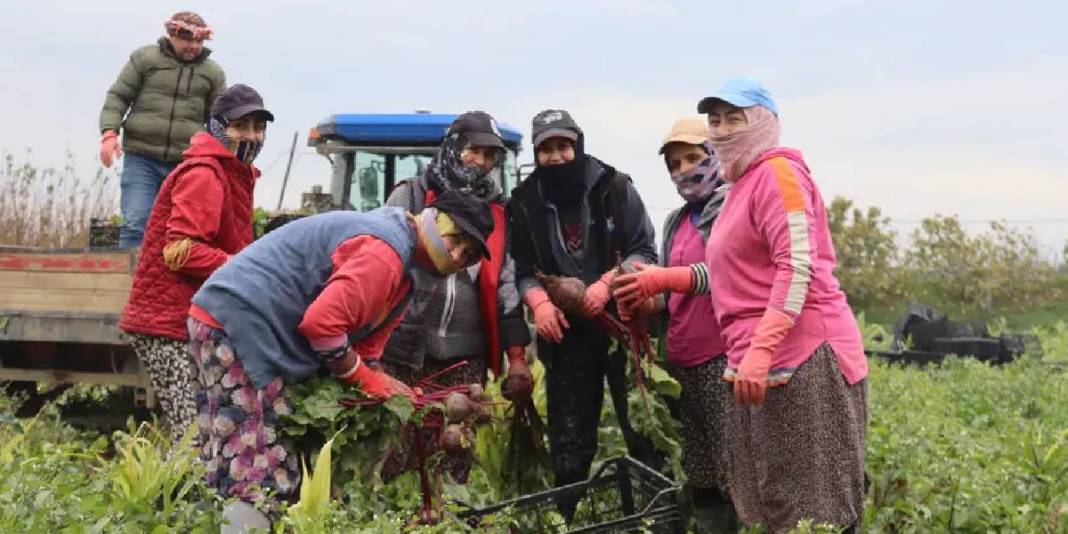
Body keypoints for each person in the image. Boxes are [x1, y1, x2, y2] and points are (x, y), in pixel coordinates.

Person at [186, 190, 494, 529]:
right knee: (258, 468)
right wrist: (366, 380)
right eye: (455, 239)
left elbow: (367, 349)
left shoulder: (404, 270)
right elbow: (322, 326)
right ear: (434, 219)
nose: (455, 255)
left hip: (237, 324)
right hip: (238, 325)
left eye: (467, 256)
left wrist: (384, 382)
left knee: (240, 454)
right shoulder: (385, 252)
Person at [701, 77, 868, 532]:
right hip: (764, 361)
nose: (721, 130)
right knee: (780, 501)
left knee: (818, 505)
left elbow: (797, 268)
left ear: (764, 122)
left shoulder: (779, 175)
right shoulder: (740, 187)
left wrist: (761, 349)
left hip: (805, 358)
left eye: (734, 118)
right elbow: (733, 273)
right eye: (714, 120)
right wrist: (665, 278)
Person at [508, 109, 660, 516]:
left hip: (624, 327)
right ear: (537, 154)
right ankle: (566, 520)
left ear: (578, 144)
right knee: (569, 445)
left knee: (644, 434)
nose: (556, 156)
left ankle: (654, 520)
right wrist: (540, 303)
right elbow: (521, 271)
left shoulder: (614, 187)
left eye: (563, 146)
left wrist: (604, 285)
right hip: (565, 335)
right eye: (546, 149)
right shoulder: (523, 203)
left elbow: (645, 251)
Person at [119, 84, 272, 436]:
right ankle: (172, 492)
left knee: (206, 432)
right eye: (240, 126)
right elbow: (180, 250)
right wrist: (244, 267)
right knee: (193, 434)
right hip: (167, 323)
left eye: (258, 128)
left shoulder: (234, 174)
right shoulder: (205, 172)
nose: (251, 136)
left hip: (189, 318)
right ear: (218, 127)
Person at [612, 116, 735, 530]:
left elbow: (730, 275)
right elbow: (670, 295)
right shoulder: (676, 220)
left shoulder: (731, 207)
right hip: (682, 363)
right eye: (674, 165)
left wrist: (662, 279)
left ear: (716, 154)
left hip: (725, 361)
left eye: (692, 158)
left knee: (733, 469)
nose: (683, 171)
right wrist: (645, 298)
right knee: (701, 474)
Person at [381, 111, 532, 400]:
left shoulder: (498, 212)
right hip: (402, 348)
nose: (481, 161)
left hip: (465, 356)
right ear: (452, 147)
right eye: (472, 150)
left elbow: (506, 284)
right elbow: (380, 265)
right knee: (399, 438)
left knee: (457, 439)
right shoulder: (410, 196)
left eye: (489, 155)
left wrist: (516, 355)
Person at [98, 11, 226, 248]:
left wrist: (220, 158)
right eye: (188, 40)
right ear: (172, 35)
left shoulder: (213, 74)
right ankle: (132, 282)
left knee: (181, 228)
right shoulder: (145, 60)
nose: (193, 46)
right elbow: (118, 96)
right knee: (137, 221)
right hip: (141, 157)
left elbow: (218, 120)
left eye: (198, 41)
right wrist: (109, 133)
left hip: (186, 163)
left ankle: (168, 283)